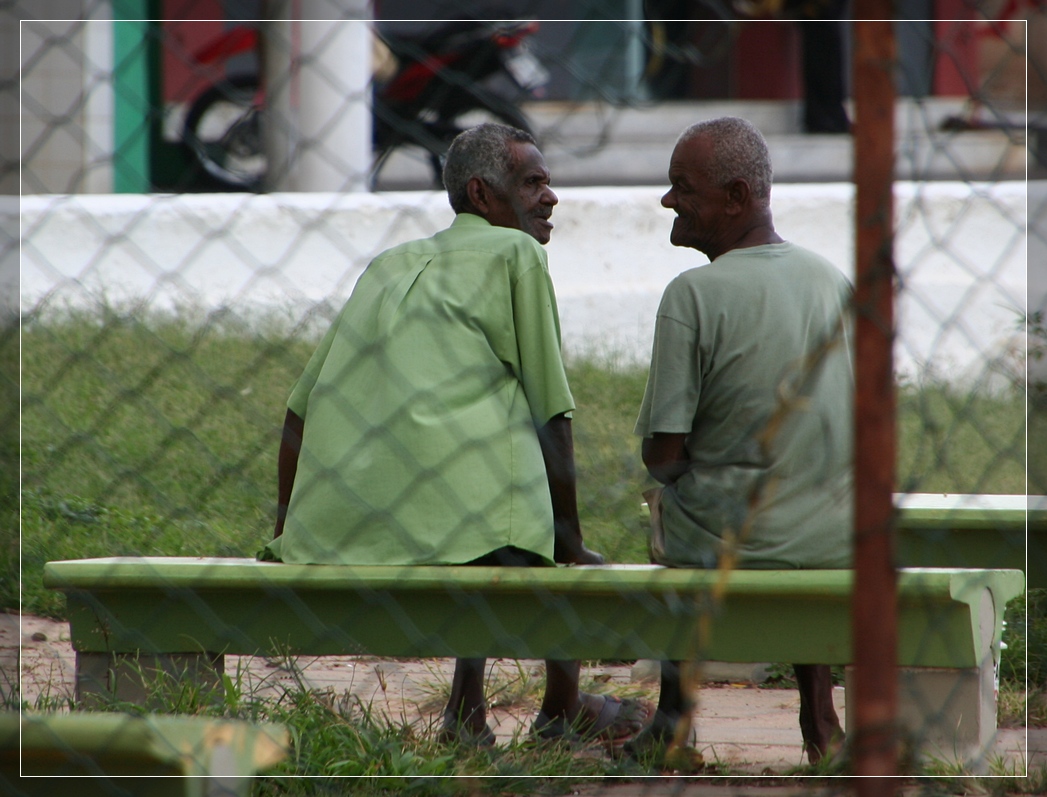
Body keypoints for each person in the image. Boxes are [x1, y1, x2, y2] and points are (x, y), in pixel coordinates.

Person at [261, 122, 650, 747]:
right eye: (533, 183)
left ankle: (466, 709)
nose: (550, 197)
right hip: (469, 536)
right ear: (481, 194)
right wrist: (572, 545)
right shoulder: (519, 255)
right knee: (516, 525)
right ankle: (562, 707)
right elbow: (552, 411)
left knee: (474, 474)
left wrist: (286, 529)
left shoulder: (388, 264)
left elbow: (298, 411)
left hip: (348, 536)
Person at [630, 117, 853, 763]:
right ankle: (819, 717)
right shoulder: (829, 279)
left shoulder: (692, 293)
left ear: (734, 196)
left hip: (731, 540)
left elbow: (662, 454)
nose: (667, 200)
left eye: (681, 187)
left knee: (664, 498)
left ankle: (672, 724)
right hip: (832, 535)